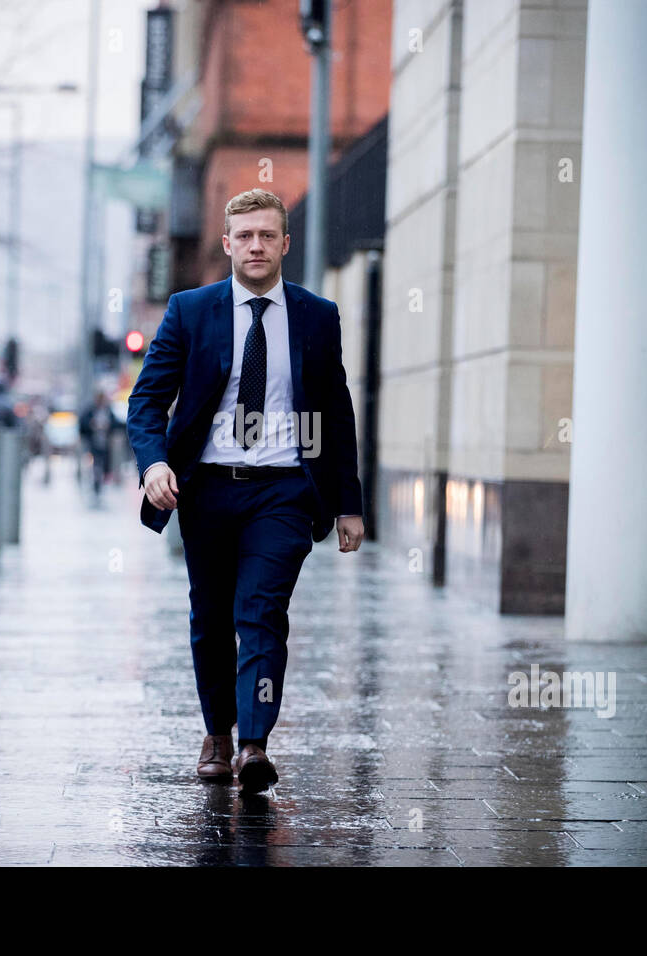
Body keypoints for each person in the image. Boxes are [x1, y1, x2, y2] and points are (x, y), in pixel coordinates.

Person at [127, 188, 364, 794]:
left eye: (267, 235)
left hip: (284, 490)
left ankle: (254, 741)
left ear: (285, 243)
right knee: (211, 616)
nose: (255, 246)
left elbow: (335, 413)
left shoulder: (316, 315)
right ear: (228, 244)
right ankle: (218, 732)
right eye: (244, 236)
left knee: (260, 612)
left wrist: (348, 503)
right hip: (206, 489)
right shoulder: (190, 310)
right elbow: (148, 400)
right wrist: (153, 465)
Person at [79, 389, 122, 497]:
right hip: (93, 443)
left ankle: (102, 482)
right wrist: (91, 425)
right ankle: (96, 484)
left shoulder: (108, 411)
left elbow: (115, 423)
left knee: (105, 465)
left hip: (105, 444)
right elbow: (82, 424)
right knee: (95, 464)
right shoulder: (90, 410)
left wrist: (108, 426)